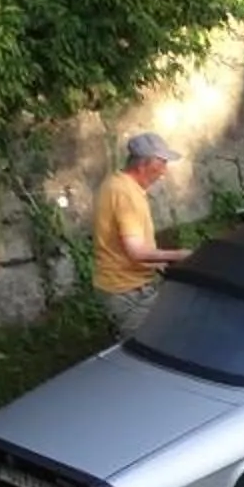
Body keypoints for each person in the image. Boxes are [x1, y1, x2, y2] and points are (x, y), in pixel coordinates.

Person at [91, 131, 191, 338]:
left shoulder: (115, 183)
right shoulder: (126, 194)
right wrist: (180, 255)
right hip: (128, 290)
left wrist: (157, 263)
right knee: (150, 345)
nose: (164, 171)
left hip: (119, 285)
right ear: (143, 164)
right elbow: (136, 251)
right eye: (161, 163)